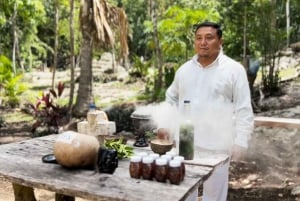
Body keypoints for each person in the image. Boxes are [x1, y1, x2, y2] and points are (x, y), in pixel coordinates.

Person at [165, 21, 254, 201]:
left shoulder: (234, 70)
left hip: (217, 148)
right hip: (185, 145)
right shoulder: (184, 70)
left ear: (220, 41)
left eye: (209, 38)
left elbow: (244, 108)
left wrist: (242, 141)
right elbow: (171, 98)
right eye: (199, 38)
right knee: (183, 194)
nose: (203, 42)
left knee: (213, 197)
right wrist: (168, 125)